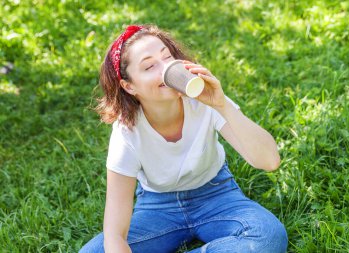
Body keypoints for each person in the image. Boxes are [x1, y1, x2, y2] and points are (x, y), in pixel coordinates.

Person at [80, 24, 287, 253]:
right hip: (157, 207)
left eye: (167, 56)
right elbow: (115, 234)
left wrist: (221, 105)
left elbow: (269, 161)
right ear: (129, 86)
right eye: (149, 66)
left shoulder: (204, 100)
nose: (165, 67)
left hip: (216, 193)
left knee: (268, 236)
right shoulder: (127, 130)